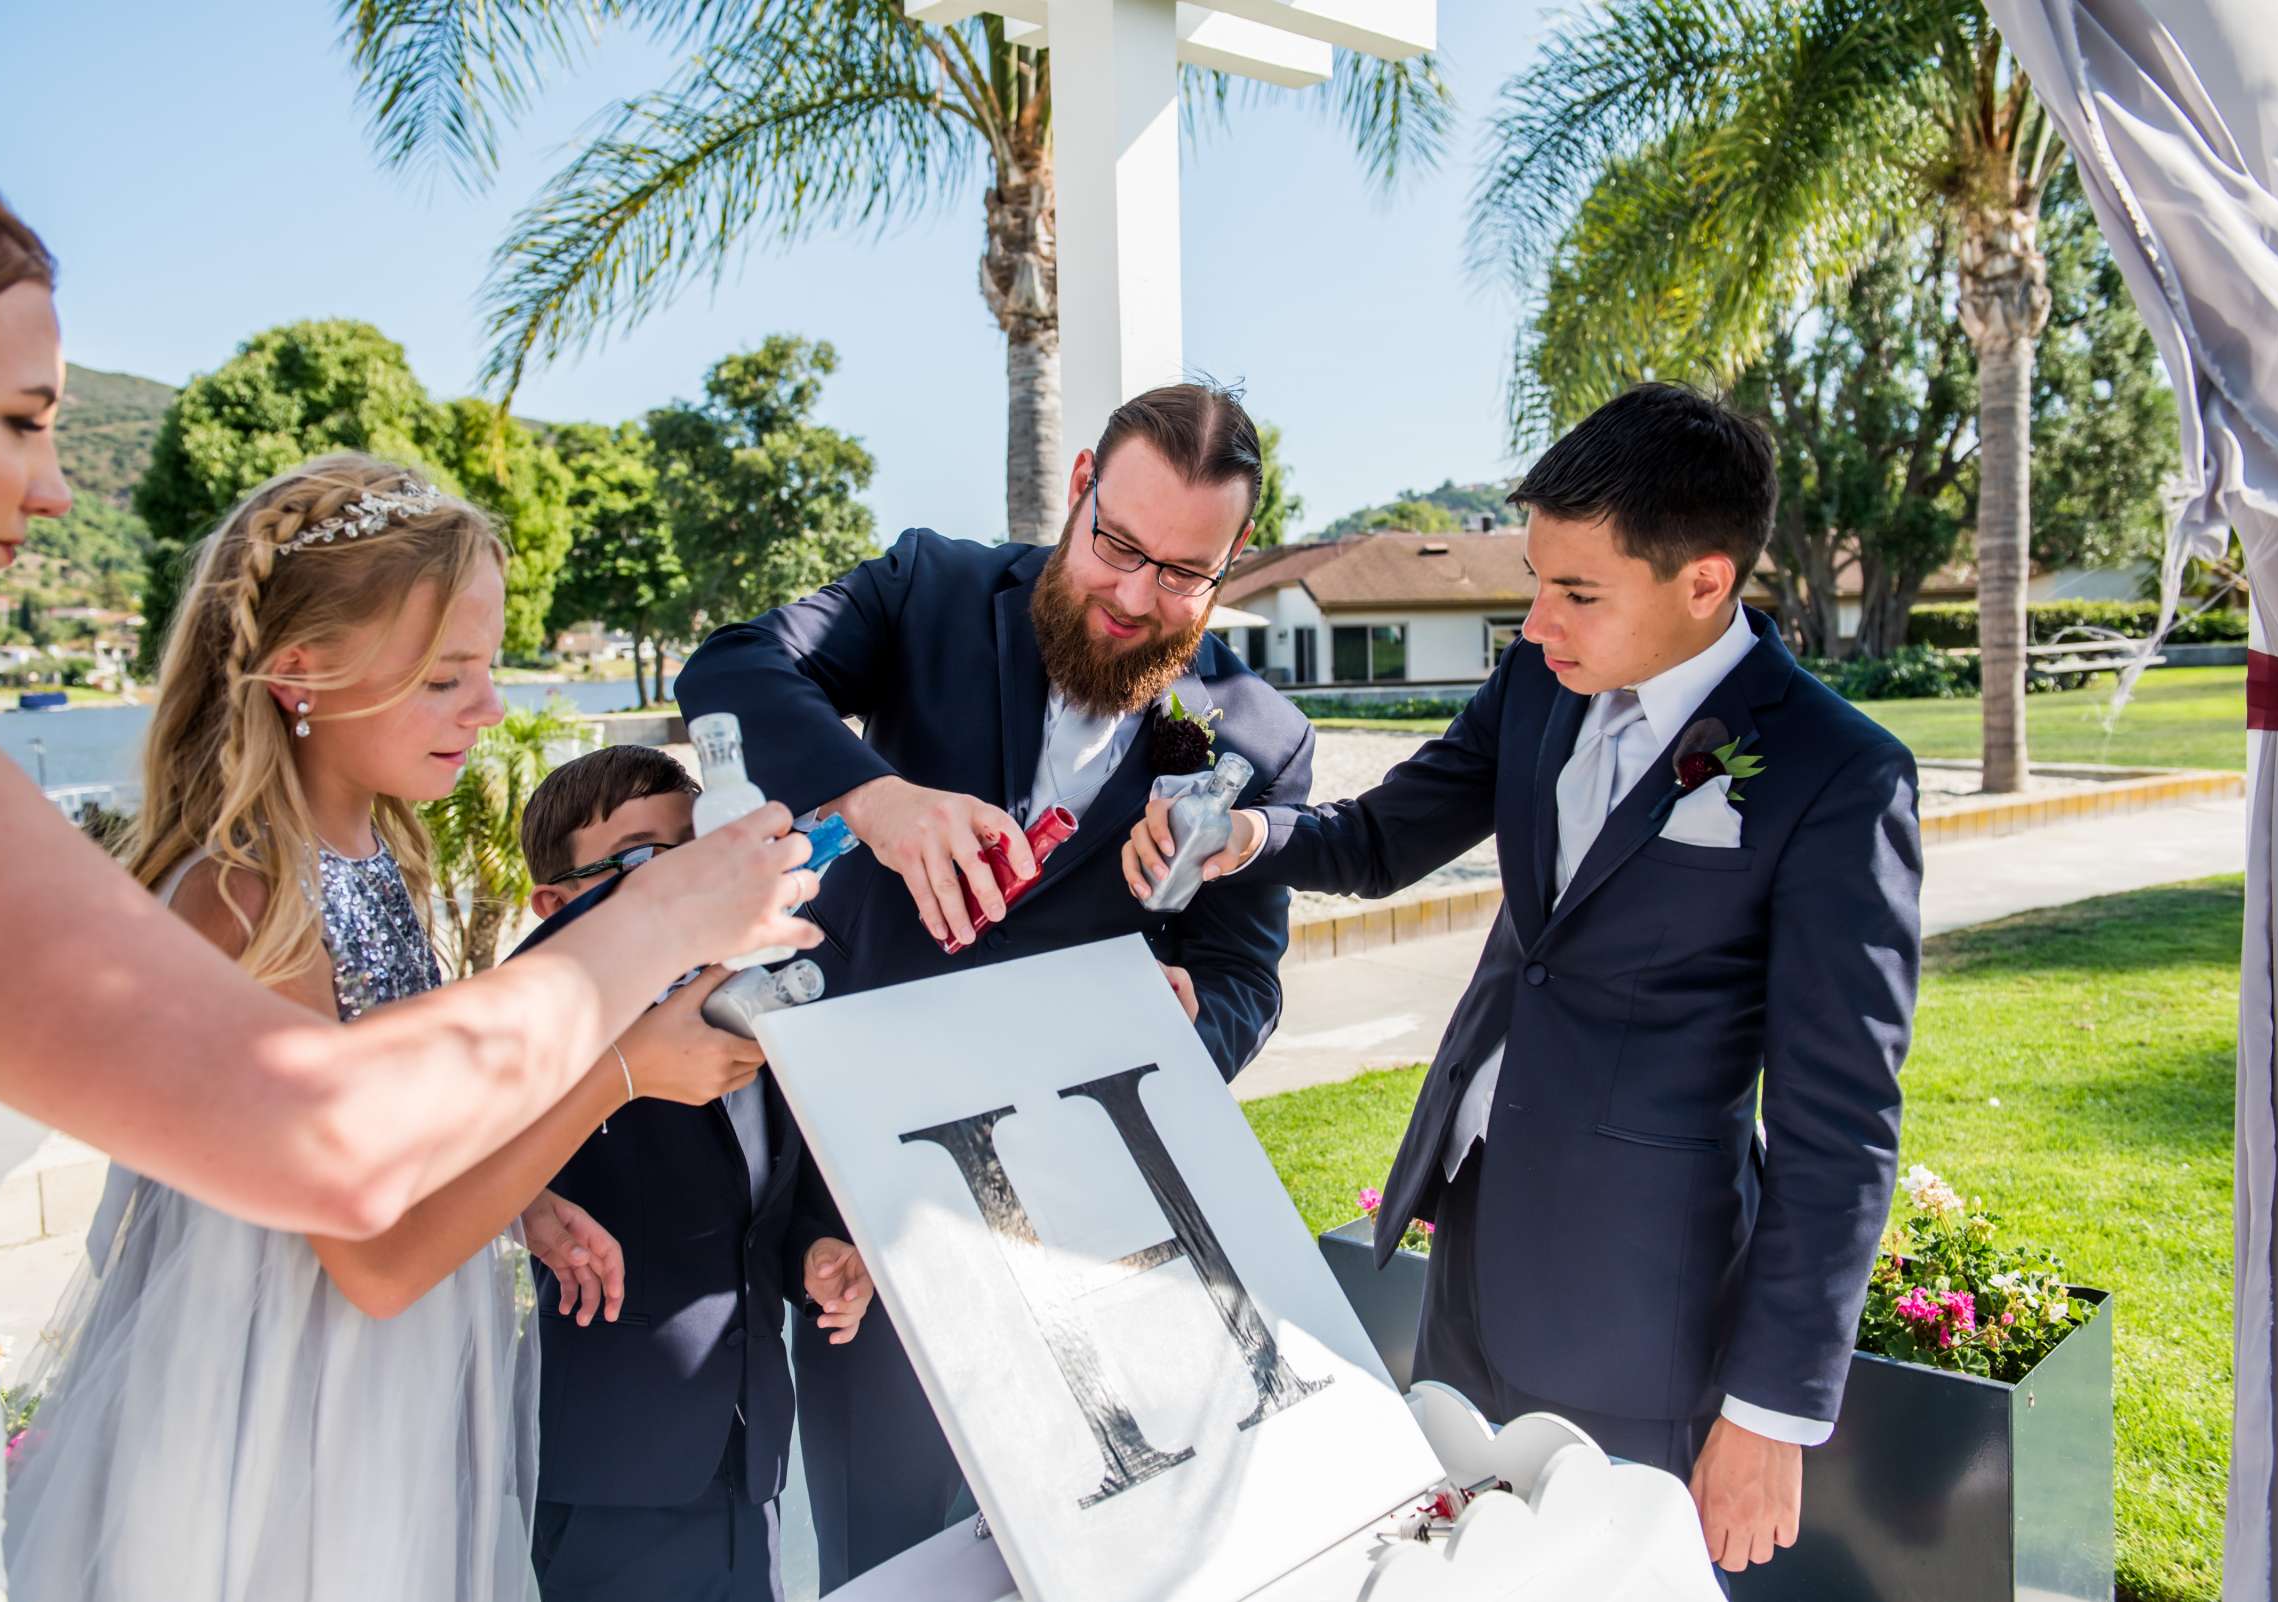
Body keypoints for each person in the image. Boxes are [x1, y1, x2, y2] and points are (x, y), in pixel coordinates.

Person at [0, 150, 815, 1602]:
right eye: (446, 672)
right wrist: (628, 1041)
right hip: (288, 1432)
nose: (56, 481)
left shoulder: (371, 862)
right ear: (304, 674)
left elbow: (393, 1132)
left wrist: (520, 1198)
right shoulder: (246, 893)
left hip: (378, 1394)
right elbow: (367, 1238)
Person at [1127, 384, 1923, 1580]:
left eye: (1578, 593)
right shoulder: (1543, 682)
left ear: (1705, 582)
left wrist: (1769, 1411)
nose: (1537, 623)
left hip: (1641, 1300)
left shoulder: (1838, 776)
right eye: (1537, 581)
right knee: (1449, 1562)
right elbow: (1389, 831)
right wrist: (1254, 839)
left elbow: (1841, 1124)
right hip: (1473, 1235)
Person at [674, 381, 1316, 1587]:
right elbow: (732, 668)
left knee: (1109, 1550)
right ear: (1077, 487)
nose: (1136, 596)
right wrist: (874, 795)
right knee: (896, 1554)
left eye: (1184, 573)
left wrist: (1191, 1024)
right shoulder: (931, 589)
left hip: (1109, 1226)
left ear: (1234, 563)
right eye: (1117, 545)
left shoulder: (1260, 737)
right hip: (878, 1212)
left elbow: (1243, 979)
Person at [510, 745, 871, 1602]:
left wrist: (814, 1257)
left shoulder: (760, 1004)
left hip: (749, 1453)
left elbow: (765, 1214)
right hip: (616, 1463)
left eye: (696, 847)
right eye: (642, 859)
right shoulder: (543, 1021)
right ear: (556, 902)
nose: (682, 881)